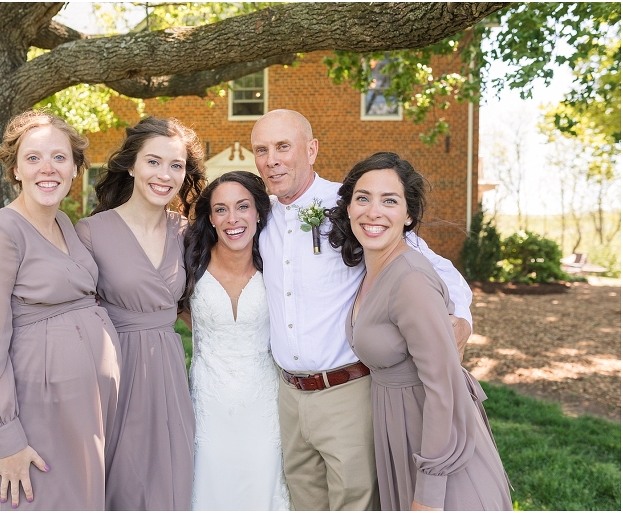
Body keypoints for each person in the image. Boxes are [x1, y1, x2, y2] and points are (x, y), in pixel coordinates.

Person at [250, 109, 474, 510]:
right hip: (288, 395)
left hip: (346, 392)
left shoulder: (354, 208)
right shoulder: (260, 219)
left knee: (354, 503)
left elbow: (435, 268)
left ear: (312, 149)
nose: (272, 160)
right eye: (261, 150)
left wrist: (461, 321)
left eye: (284, 146)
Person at [328, 152, 512, 510]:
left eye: (390, 201)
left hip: (438, 450)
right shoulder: (373, 270)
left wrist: (429, 495)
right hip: (400, 435)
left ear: (409, 215)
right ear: (348, 207)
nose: (373, 211)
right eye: (363, 198)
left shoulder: (410, 278)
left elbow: (445, 388)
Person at [0, 110, 120, 510]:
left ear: (75, 168)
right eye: (33, 158)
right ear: (15, 168)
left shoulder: (66, 223)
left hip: (78, 414)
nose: (47, 169)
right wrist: (7, 439)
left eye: (59, 157)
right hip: (28, 418)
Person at [75, 116, 204, 510]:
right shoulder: (91, 232)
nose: (164, 175)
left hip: (168, 371)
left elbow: (198, 308)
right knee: (122, 483)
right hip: (114, 370)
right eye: (154, 161)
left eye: (176, 165)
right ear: (131, 165)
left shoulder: (186, 232)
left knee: (173, 480)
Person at [183, 171, 290, 510]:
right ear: (211, 218)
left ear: (259, 211)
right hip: (207, 403)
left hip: (264, 404)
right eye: (221, 210)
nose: (232, 219)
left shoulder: (276, 263)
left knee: (262, 487)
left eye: (242, 207)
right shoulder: (189, 261)